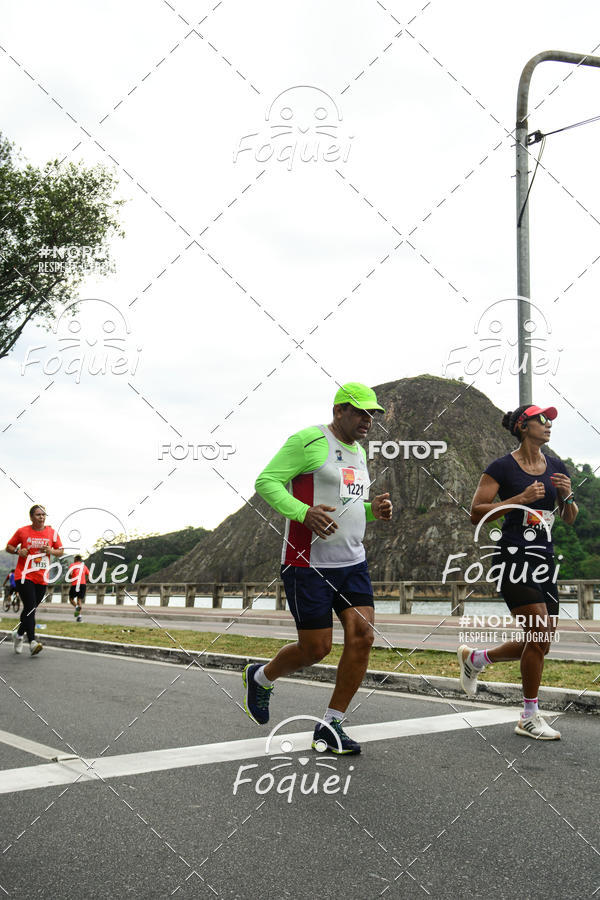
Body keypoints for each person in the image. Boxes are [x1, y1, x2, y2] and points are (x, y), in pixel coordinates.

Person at [243, 382, 393, 755]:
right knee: (316, 649)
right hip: (306, 563)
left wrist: (375, 511)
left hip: (352, 563)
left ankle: (331, 725)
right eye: (361, 412)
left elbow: (347, 505)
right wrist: (302, 513)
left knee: (363, 637)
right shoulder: (309, 440)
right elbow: (266, 481)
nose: (368, 420)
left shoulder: (358, 453)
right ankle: (260, 677)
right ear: (339, 410)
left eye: (372, 414)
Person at [462, 404, 578, 740]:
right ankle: (528, 716)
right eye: (542, 420)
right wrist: (521, 498)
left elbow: (569, 517)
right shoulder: (501, 467)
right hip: (514, 559)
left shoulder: (555, 465)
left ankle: (477, 658)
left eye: (550, 421)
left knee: (541, 642)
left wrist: (567, 496)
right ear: (524, 426)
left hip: (545, 560)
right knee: (539, 634)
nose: (549, 425)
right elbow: (476, 513)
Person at [6, 505, 64, 655]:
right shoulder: (22, 531)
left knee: (30, 608)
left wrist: (51, 551)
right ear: (31, 517)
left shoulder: (52, 533)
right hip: (24, 575)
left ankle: (18, 635)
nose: (42, 517)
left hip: (41, 577)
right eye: (38, 515)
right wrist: (19, 551)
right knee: (30, 606)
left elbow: (61, 551)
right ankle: (32, 642)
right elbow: (9, 547)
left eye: (44, 514)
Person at [66, 555, 90, 622]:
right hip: (82, 584)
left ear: (76, 559)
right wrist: (86, 581)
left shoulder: (72, 565)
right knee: (79, 600)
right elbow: (89, 575)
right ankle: (79, 617)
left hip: (75, 584)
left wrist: (71, 577)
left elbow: (70, 574)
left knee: (71, 599)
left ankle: (77, 608)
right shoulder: (84, 566)